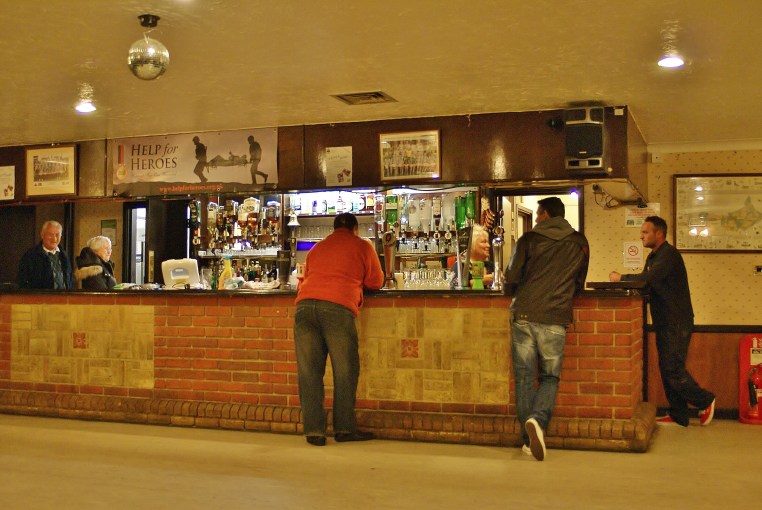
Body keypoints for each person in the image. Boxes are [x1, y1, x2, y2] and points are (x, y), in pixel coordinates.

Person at [503, 197, 589, 461]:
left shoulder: (528, 240)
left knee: (525, 378)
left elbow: (511, 277)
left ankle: (528, 438)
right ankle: (538, 422)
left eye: (538, 214)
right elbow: (579, 283)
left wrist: (511, 290)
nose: (537, 218)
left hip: (524, 314)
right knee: (550, 377)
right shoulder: (580, 243)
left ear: (546, 214)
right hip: (555, 316)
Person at [609, 215, 715, 428]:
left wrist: (621, 278)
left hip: (676, 321)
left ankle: (705, 400)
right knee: (667, 367)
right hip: (664, 321)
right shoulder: (653, 257)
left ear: (659, 234)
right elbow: (646, 284)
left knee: (672, 368)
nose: (641, 236)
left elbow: (648, 279)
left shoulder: (669, 254)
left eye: (645, 232)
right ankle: (678, 415)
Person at [294, 212, 385, 446]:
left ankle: (314, 431)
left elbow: (304, 278)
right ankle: (344, 429)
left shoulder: (316, 248)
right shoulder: (363, 246)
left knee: (309, 372)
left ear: (334, 229)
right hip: (337, 306)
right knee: (345, 370)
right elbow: (376, 281)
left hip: (305, 306)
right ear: (355, 229)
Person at [17, 220, 74, 289]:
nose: (54, 238)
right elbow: (22, 281)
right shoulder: (31, 256)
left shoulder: (64, 255)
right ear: (42, 235)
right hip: (40, 295)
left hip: (65, 295)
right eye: (50, 234)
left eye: (57, 235)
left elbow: (70, 280)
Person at [447, 223, 494, 288]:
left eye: (488, 242)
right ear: (471, 245)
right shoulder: (461, 266)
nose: (488, 246)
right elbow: (454, 287)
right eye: (483, 242)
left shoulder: (490, 266)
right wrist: (481, 281)